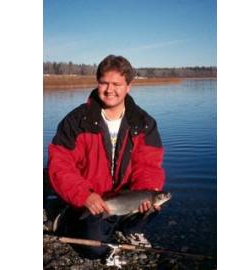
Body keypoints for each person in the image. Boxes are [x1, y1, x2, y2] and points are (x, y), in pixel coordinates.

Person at [48, 55, 165, 259]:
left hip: (125, 198)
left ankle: (129, 230)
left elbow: (148, 165)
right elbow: (60, 165)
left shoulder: (144, 123)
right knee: (96, 250)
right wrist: (84, 195)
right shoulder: (76, 121)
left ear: (129, 86)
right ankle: (64, 218)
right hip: (91, 199)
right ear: (97, 83)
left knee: (154, 204)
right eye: (104, 83)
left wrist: (146, 192)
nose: (110, 90)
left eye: (117, 84)